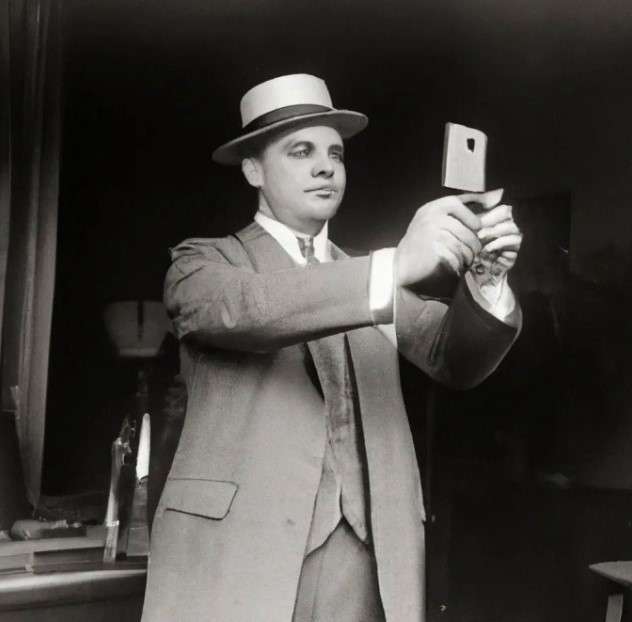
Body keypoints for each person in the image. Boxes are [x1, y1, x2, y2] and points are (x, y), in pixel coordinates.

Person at [140, 73, 522, 622]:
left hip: (365, 561)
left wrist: (486, 279)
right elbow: (249, 309)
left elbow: (453, 357)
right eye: (302, 151)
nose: (326, 167)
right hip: (238, 560)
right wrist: (397, 264)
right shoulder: (200, 264)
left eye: (335, 154)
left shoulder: (373, 277)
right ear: (252, 170)